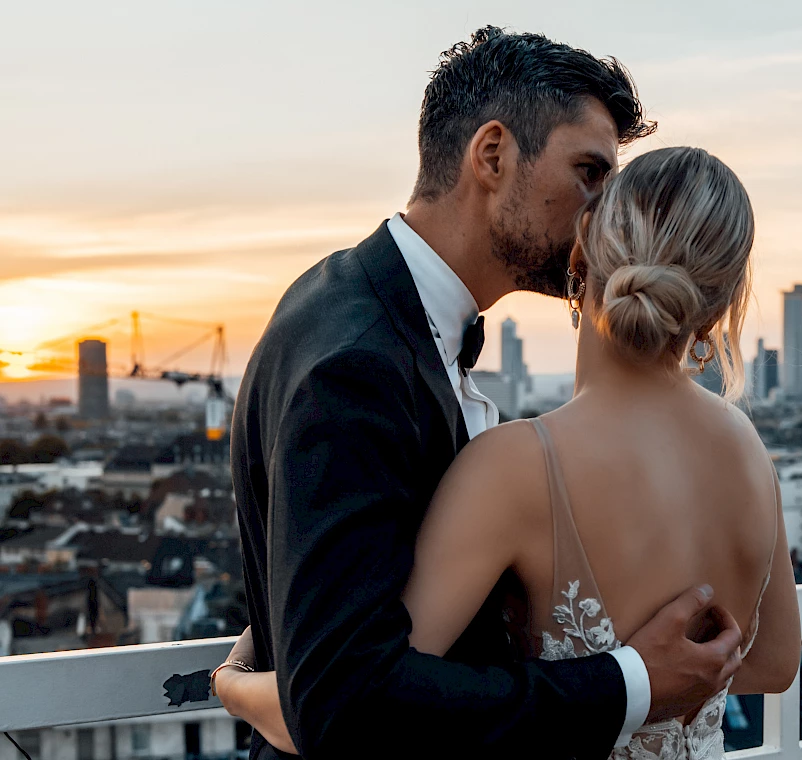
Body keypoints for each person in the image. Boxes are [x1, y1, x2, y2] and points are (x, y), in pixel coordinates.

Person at [223, 28, 756, 760]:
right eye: (589, 173)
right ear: (494, 155)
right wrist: (634, 680)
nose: (605, 214)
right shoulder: (356, 365)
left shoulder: (353, 301)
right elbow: (344, 703)